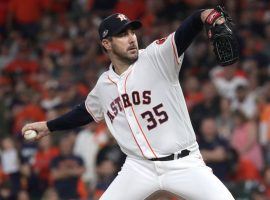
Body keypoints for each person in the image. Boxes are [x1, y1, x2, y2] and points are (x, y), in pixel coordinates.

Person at [22, 8, 235, 199]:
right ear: (107, 43)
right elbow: (84, 112)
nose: (131, 38)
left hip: (183, 163)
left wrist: (206, 15)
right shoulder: (104, 84)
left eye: (132, 32)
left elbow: (185, 32)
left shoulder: (156, 57)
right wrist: (49, 126)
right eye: (122, 35)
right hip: (139, 168)